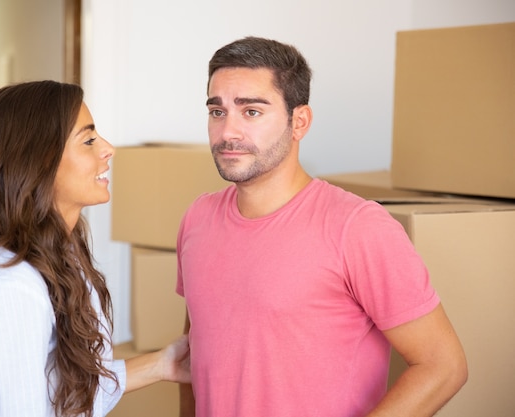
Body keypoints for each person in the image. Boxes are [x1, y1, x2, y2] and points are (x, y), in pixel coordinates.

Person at [176, 37, 467, 417]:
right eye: (217, 112)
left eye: (251, 112)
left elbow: (444, 366)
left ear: (299, 122)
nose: (228, 132)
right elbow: (193, 354)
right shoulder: (197, 218)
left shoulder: (358, 227)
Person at [0, 80, 190, 417]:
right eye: (88, 140)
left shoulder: (56, 254)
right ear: (37, 161)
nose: (108, 149)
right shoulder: (9, 290)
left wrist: (162, 364)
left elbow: (62, 395)